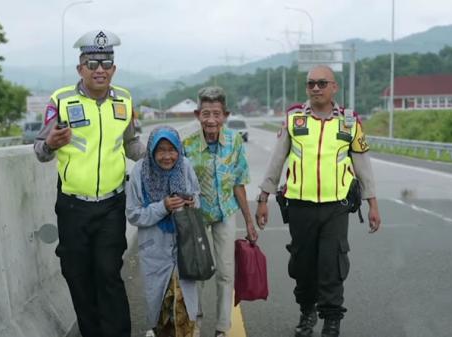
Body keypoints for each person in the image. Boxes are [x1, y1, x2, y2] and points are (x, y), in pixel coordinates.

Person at [255, 65, 382, 337]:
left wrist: (373, 203)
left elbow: (363, 165)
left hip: (336, 207)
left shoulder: (350, 122)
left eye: (322, 83)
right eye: (311, 83)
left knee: (332, 265)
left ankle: (332, 320)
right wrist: (263, 197)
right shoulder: (294, 120)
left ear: (334, 87)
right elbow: (276, 161)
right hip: (299, 206)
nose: (315, 88)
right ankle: (306, 311)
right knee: (302, 265)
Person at [33, 30, 144, 337]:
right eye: (92, 62)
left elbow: (132, 145)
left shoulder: (124, 100)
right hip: (72, 206)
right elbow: (40, 152)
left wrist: (163, 153)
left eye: (106, 62)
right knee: (78, 275)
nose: (99, 69)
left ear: (114, 69)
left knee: (108, 272)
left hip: (112, 205)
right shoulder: (61, 101)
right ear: (79, 68)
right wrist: (52, 143)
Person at [182, 86, 260, 337]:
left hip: (226, 213)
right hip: (197, 216)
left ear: (225, 115)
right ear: (197, 115)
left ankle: (222, 328)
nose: (211, 120)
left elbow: (239, 183)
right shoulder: (188, 145)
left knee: (226, 272)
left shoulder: (234, 141)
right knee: (199, 274)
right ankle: (195, 325)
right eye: (206, 114)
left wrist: (249, 221)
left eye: (216, 114)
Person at [126, 126, 200, 337]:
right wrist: (163, 207)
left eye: (172, 149)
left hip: (184, 246)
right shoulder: (140, 171)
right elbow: (133, 214)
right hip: (155, 249)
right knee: (161, 311)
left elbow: (197, 195)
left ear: (179, 149)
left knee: (183, 307)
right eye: (161, 150)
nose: (167, 156)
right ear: (151, 151)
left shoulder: (185, 166)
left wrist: (191, 202)